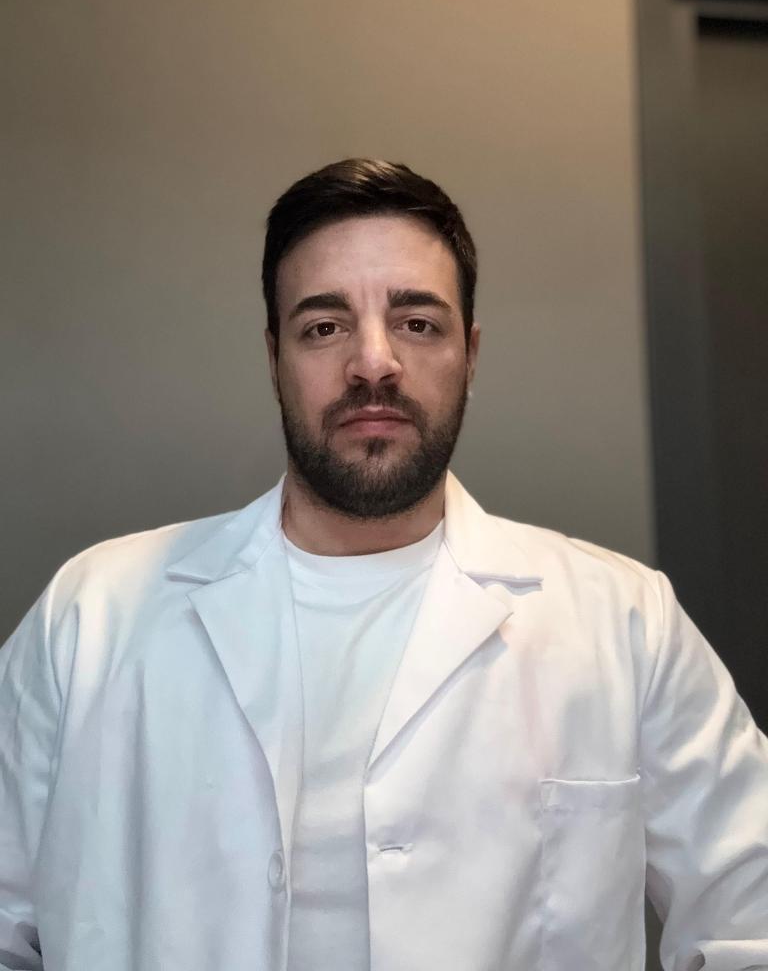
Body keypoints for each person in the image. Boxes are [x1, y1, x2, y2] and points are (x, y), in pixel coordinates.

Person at [1, 158, 766, 971]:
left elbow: (751, 922)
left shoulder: (624, 622)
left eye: (418, 323)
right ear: (274, 356)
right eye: (324, 327)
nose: (373, 362)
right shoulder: (92, 616)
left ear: (471, 353)